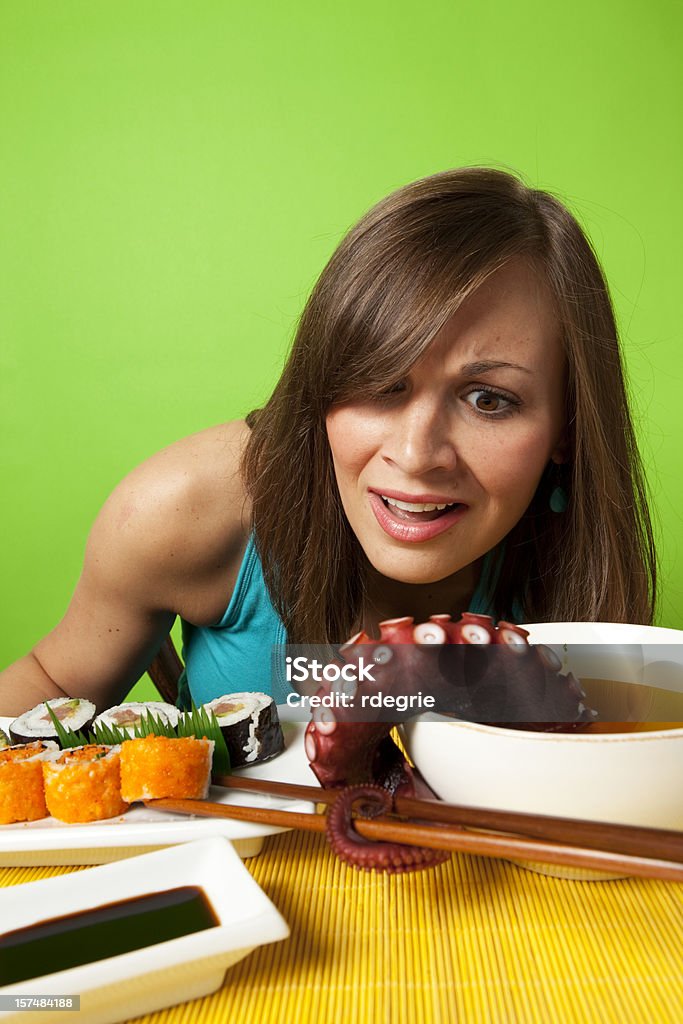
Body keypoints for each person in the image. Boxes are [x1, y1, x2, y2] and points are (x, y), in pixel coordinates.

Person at [0, 167, 657, 717]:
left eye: (490, 401)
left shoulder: (578, 556)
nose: (416, 452)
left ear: (567, 428)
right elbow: (51, 688)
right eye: (380, 382)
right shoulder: (186, 507)